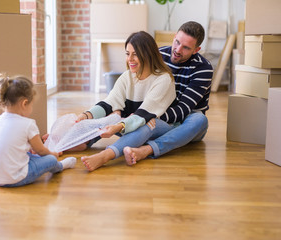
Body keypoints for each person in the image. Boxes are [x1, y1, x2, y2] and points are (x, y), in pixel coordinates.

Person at [77, 31, 176, 171]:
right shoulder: (127, 76)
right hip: (131, 124)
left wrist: (117, 127)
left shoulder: (163, 79)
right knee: (108, 115)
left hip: (160, 126)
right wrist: (85, 115)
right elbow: (110, 102)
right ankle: (79, 142)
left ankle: (105, 155)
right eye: (127, 53)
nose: (130, 59)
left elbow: (144, 114)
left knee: (146, 123)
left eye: (135, 54)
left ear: (148, 54)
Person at [122, 21, 214, 165]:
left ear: (196, 50)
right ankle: (87, 139)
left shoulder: (203, 68)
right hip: (157, 116)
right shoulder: (159, 55)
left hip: (185, 122)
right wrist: (142, 115)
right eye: (177, 42)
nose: (177, 49)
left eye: (186, 48)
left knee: (199, 120)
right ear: (174, 36)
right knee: (122, 114)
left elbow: (184, 109)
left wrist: (147, 117)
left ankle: (147, 150)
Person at [0, 74, 76, 187]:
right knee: (50, 159)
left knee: (28, 154)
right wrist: (53, 154)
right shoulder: (28, 124)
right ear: (25, 103)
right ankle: (60, 166)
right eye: (31, 105)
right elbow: (41, 151)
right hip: (14, 179)